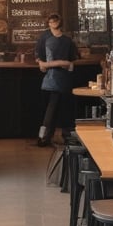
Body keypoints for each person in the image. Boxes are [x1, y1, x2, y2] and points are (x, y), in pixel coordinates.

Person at [34, 14, 79, 147]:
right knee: (52, 110)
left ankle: (46, 137)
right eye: (51, 21)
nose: (53, 23)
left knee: (56, 110)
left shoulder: (67, 40)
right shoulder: (45, 38)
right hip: (52, 79)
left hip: (61, 79)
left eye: (56, 20)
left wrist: (53, 64)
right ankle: (48, 137)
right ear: (48, 23)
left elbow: (71, 62)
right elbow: (40, 62)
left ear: (60, 22)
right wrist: (59, 62)